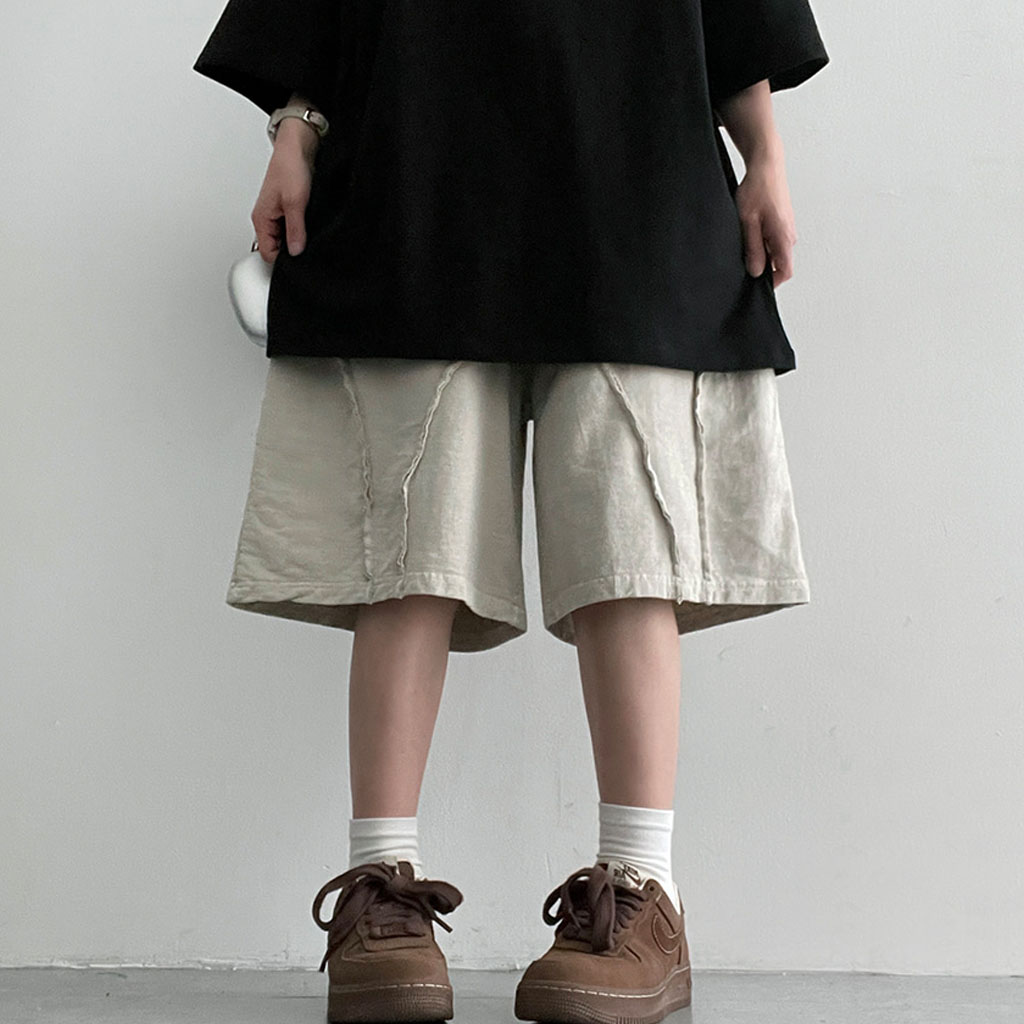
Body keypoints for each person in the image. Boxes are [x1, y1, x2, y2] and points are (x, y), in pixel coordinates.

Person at [193, 1, 829, 1021]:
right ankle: (381, 891)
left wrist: (766, 156)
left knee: (627, 547)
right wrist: (295, 130)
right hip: (414, 174)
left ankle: (641, 892)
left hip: (639, 179)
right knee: (411, 547)